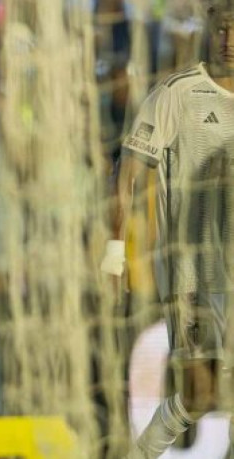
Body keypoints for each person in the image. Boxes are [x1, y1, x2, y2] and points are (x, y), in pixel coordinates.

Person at [100, 2, 234, 456]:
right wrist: (115, 249)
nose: (229, 41)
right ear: (208, 33)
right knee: (200, 395)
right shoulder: (178, 92)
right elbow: (129, 170)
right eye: (222, 30)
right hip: (191, 272)